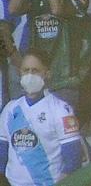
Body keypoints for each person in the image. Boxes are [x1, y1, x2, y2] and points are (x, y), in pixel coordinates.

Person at [0, 47, 84, 181]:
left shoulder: (61, 110)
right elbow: (2, 152)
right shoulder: (10, 109)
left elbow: (73, 159)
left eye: (35, 71)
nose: (29, 75)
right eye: (25, 70)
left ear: (47, 74)